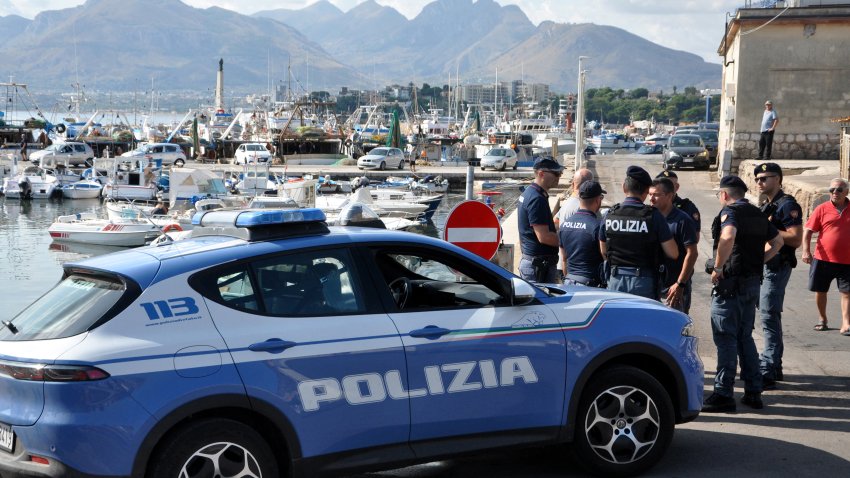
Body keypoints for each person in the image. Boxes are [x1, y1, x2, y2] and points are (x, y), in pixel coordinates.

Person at [702, 175, 783, 413]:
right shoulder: (758, 213)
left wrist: (718, 268)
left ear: (725, 195)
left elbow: (727, 236)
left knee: (726, 338)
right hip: (751, 283)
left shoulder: (731, 213)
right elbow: (778, 241)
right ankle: (753, 392)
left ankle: (723, 393)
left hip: (730, 285)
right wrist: (759, 260)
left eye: (720, 194)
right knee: (744, 337)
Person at [754, 162, 803, 387]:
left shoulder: (787, 205)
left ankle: (770, 367)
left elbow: (795, 238)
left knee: (768, 316)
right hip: (766, 265)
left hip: (778, 266)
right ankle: (776, 365)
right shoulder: (768, 205)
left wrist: (769, 231)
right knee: (768, 315)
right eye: (757, 179)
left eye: (765, 178)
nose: (760, 182)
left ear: (778, 179)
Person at [599, 165, 678, 299]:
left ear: (624, 187)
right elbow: (673, 253)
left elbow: (604, 251)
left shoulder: (609, 214)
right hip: (643, 282)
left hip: (616, 280)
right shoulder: (654, 216)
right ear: (647, 191)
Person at [802, 178, 850, 336]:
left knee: (847, 292)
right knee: (821, 290)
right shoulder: (822, 209)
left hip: (847, 260)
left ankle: (846, 323)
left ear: (847, 192)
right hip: (823, 259)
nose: (835, 193)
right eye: (832, 190)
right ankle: (822, 319)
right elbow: (808, 231)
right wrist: (806, 251)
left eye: (839, 190)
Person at [649, 178, 698, 312]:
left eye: (656, 195)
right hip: (652, 286)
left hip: (673, 289)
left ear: (670, 196)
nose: (651, 199)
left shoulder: (682, 220)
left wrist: (680, 284)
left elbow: (692, 253)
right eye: (650, 194)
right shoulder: (649, 217)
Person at [517, 158, 564, 283]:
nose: (559, 176)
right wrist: (567, 240)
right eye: (555, 173)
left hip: (534, 263)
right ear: (541, 173)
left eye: (560, 173)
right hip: (538, 268)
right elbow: (544, 236)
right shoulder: (537, 199)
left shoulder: (529, 193)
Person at [559, 181, 606, 287]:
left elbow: (564, 258)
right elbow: (605, 256)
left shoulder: (564, 225)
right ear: (598, 200)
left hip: (569, 281)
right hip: (590, 285)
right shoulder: (598, 226)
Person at [656, 169, 701, 236]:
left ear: (677, 187)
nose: (664, 188)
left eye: (669, 185)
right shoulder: (653, 206)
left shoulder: (687, 207)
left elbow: (695, 236)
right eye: (662, 185)